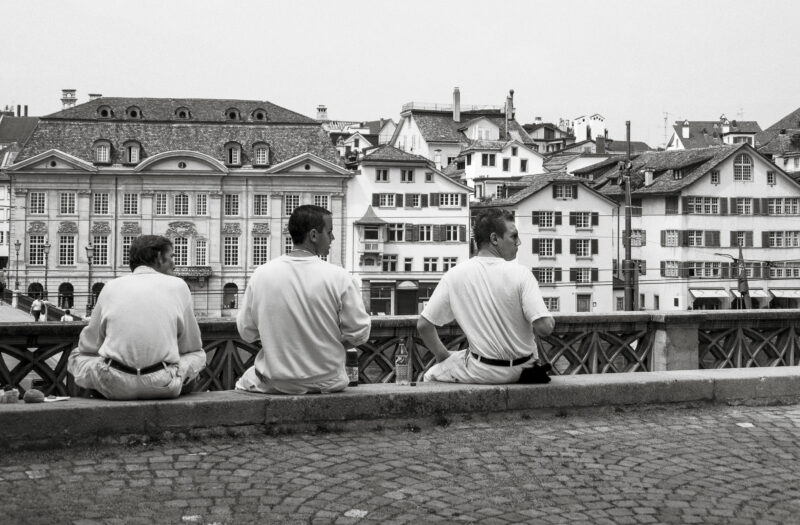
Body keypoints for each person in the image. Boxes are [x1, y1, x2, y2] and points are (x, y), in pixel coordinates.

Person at [236, 205, 370, 394]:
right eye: (329, 232)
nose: (332, 238)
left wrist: (278, 342)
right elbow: (360, 332)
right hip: (328, 380)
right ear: (313, 235)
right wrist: (327, 343)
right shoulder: (338, 276)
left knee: (244, 381)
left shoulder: (261, 274)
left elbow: (246, 332)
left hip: (277, 381)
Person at [417, 208, 555, 384]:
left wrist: (443, 356)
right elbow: (545, 328)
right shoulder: (522, 274)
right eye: (513, 236)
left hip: (483, 371)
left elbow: (423, 325)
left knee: (430, 375)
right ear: (494, 239)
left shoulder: (454, 275)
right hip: (526, 369)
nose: (518, 242)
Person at [67, 235, 207, 400]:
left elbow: (89, 344)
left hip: (114, 384)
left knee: (76, 355)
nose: (174, 264)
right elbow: (191, 344)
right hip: (163, 383)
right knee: (199, 354)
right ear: (159, 258)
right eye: (171, 257)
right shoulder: (179, 285)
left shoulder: (110, 287)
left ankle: (93, 390)